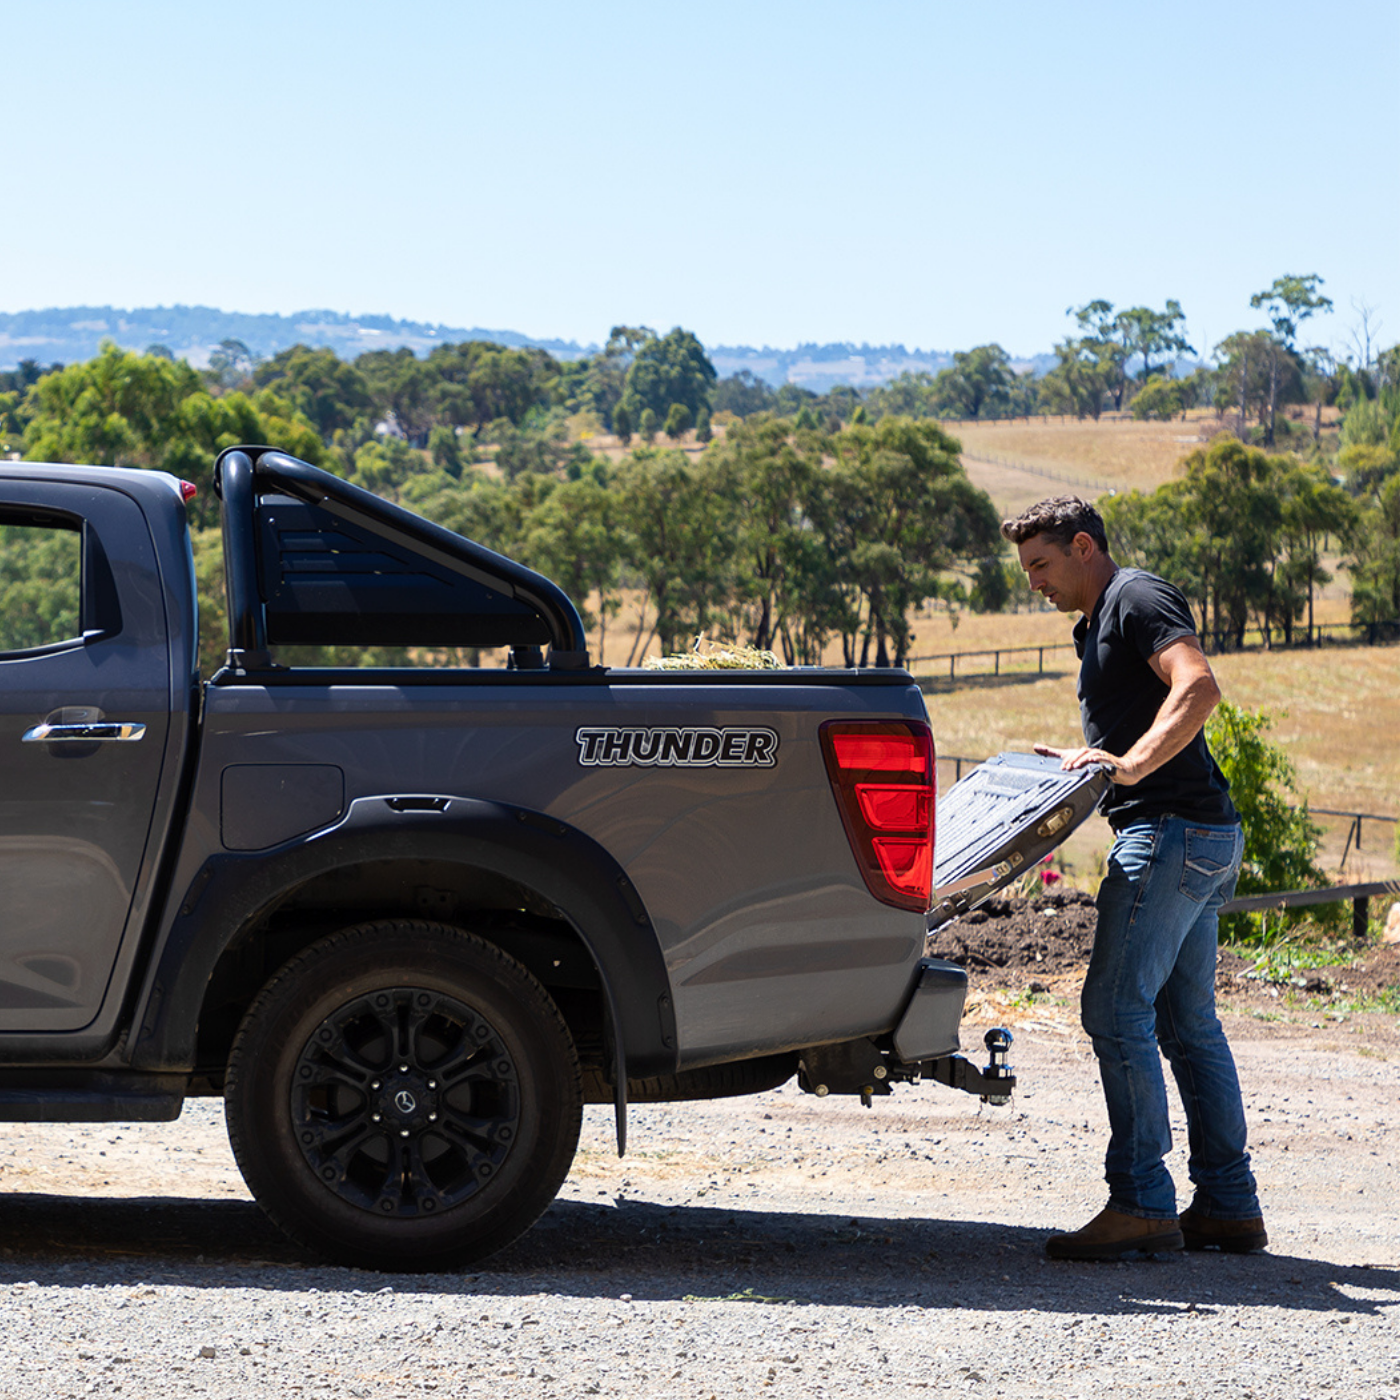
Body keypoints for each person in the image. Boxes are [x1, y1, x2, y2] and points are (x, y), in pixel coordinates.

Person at [1000, 495, 1266, 1261]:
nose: (1034, 583)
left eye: (1041, 565)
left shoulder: (1135, 597)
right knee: (1187, 1025)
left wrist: (1132, 765)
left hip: (1171, 835)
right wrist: (1091, 764)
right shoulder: (1104, 618)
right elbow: (1144, 718)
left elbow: (1199, 686)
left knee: (1116, 1011)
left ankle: (1143, 1202)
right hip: (1202, 832)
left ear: (1083, 546)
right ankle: (1228, 1205)